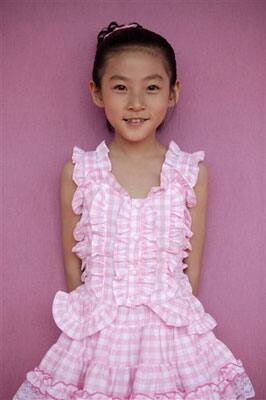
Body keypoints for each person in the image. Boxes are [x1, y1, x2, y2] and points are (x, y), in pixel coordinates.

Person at [13, 21, 256, 399]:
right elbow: (74, 273)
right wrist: (99, 319)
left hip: (171, 337)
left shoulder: (190, 174)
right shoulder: (80, 172)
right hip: (97, 334)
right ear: (97, 93)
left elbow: (189, 274)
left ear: (173, 93)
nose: (136, 103)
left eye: (152, 87)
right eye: (121, 87)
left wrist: (163, 315)